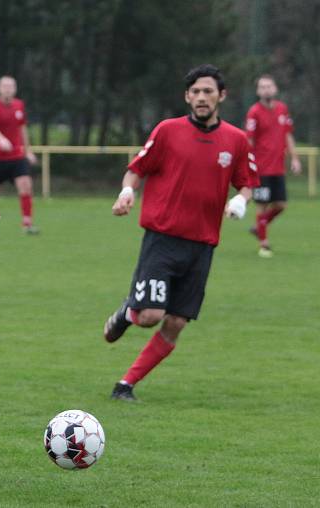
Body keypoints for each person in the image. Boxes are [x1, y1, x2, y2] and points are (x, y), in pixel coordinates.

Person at [102, 64, 258, 402]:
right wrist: (127, 192)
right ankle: (130, 311)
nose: (202, 98)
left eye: (208, 91)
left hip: (202, 246)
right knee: (150, 316)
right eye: (196, 92)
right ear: (187, 96)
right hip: (163, 239)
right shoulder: (168, 131)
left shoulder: (235, 140)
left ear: (221, 95)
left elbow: (247, 183)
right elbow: (136, 170)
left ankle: (125, 385)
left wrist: (241, 201)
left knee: (175, 323)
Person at [245, 74, 301, 258]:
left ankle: (259, 227)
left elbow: (288, 135)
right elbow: (249, 139)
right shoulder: (254, 112)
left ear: (275, 89)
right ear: (258, 91)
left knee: (281, 205)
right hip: (261, 168)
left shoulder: (282, 109)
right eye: (262, 87)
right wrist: (248, 163)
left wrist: (294, 158)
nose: (266, 89)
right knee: (261, 205)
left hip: (278, 168)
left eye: (269, 86)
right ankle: (264, 244)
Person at [0, 75, 38, 235]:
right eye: (5, 86)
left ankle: (27, 224)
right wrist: (0, 140)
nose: (8, 89)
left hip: (16, 156)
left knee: (26, 185)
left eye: (11, 86)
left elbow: (22, 129)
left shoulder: (19, 105)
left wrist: (28, 151)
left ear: (15, 89)